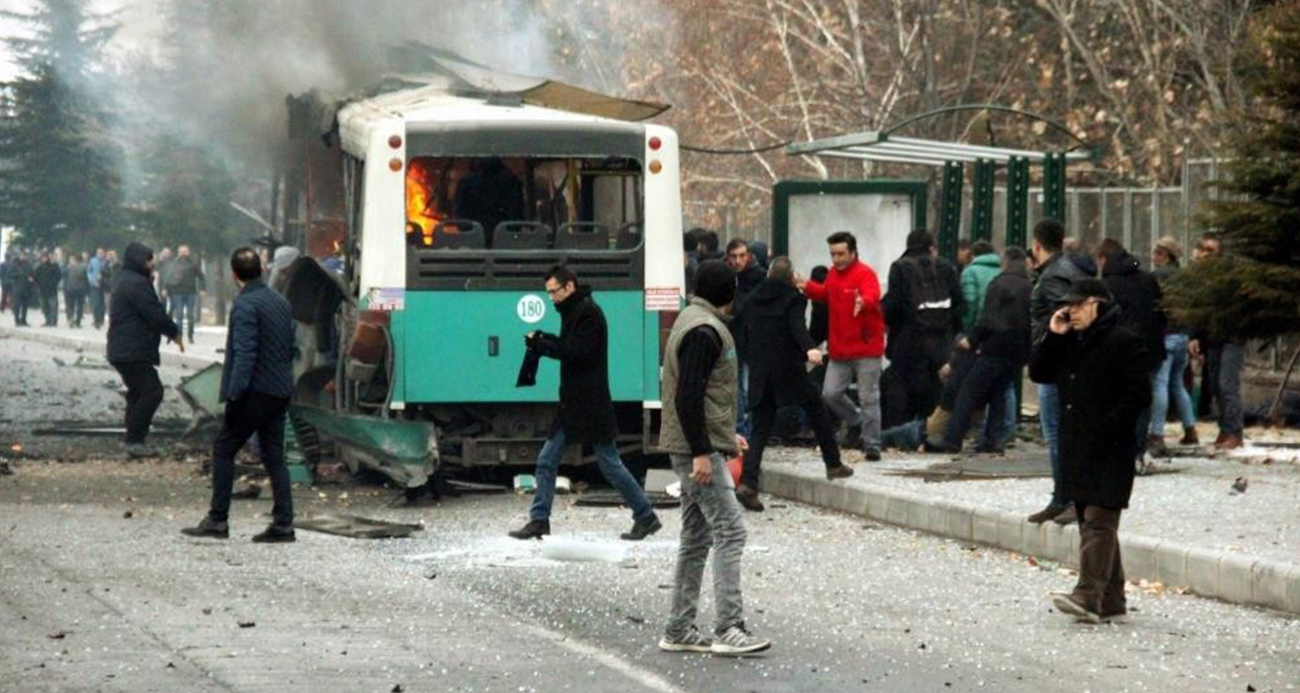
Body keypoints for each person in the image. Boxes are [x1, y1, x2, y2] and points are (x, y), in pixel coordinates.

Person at [657, 260, 770, 656]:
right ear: (731, 291)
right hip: (695, 453)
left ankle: (679, 627)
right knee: (730, 531)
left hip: (691, 446)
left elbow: (701, 397)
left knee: (696, 537)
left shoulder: (691, 320)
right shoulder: (706, 332)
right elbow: (688, 396)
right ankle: (729, 628)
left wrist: (723, 437)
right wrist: (703, 451)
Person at [508, 265, 661, 541]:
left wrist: (543, 346)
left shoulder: (587, 313)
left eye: (554, 291)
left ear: (569, 287)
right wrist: (545, 340)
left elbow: (578, 352)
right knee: (548, 460)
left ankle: (646, 515)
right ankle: (540, 519)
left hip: (589, 403)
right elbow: (571, 346)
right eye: (548, 293)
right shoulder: (577, 311)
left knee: (608, 463)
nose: (551, 298)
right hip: (576, 403)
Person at [1029, 278, 1151, 624]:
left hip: (1110, 446)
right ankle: (1112, 599)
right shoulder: (1071, 341)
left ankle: (1086, 595)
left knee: (1099, 519)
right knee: (1090, 518)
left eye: (1078, 305)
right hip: (1078, 446)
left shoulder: (1124, 341)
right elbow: (1040, 372)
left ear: (1097, 303)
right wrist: (1053, 334)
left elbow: (1138, 396)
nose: (1071, 311)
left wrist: (1109, 427)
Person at [182, 248, 298, 543]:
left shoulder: (246, 305)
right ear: (260, 269)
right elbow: (290, 346)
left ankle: (217, 519)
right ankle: (283, 524)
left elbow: (245, 353)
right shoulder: (279, 302)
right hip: (280, 389)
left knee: (223, 449)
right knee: (275, 457)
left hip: (254, 392)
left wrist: (234, 395)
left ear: (234, 275)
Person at [734, 257, 853, 512]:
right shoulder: (793, 298)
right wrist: (810, 348)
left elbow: (740, 330)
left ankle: (747, 483)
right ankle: (833, 463)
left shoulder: (752, 299)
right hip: (788, 369)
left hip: (760, 372)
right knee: (817, 409)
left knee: (760, 429)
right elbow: (797, 327)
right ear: (790, 278)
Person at [932, 247, 1033, 453]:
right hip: (1016, 351)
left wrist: (973, 340)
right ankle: (993, 440)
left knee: (968, 392)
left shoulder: (998, 284)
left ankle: (952, 439)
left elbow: (988, 319)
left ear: (1005, 262)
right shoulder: (1028, 286)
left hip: (993, 347)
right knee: (998, 394)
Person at [1026, 218, 1092, 524]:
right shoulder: (1071, 269)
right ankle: (1063, 497)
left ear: (1037, 245)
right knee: (1062, 432)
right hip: (1065, 364)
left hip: (1056, 364)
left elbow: (1065, 318)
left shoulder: (1052, 277)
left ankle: (1066, 498)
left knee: (1057, 433)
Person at [800, 232, 885, 460]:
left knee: (869, 396)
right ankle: (856, 420)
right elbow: (825, 293)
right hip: (840, 348)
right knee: (830, 393)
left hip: (865, 348)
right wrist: (806, 286)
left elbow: (872, 295)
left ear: (853, 253)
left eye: (840, 254)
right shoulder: (833, 275)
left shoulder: (865, 274)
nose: (836, 259)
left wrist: (863, 301)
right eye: (833, 254)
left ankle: (872, 444)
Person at [106, 242, 183, 458]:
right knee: (152, 391)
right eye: (148, 260)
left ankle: (133, 439)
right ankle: (134, 441)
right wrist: (174, 331)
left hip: (123, 347)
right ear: (139, 260)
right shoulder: (137, 283)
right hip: (132, 348)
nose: (152, 263)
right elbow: (153, 313)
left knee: (137, 393)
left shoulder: (126, 278)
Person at [880, 230, 963, 429]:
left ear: (908, 246)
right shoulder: (945, 266)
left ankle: (898, 432)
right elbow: (958, 303)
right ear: (930, 245)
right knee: (934, 390)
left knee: (899, 387)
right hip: (941, 340)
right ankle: (931, 432)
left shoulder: (900, 267)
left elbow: (893, 305)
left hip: (908, 340)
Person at [1096, 239, 1166, 466]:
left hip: (1119, 351)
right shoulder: (1148, 278)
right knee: (1142, 399)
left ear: (1103, 259)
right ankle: (1138, 449)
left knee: (1117, 400)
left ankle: (1121, 450)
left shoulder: (1107, 284)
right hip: (1150, 349)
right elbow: (1161, 312)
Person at [1187, 233, 1244, 450]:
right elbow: (1197, 310)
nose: (1203, 254)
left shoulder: (1229, 279)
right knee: (1215, 385)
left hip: (1231, 336)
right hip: (1212, 337)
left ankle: (1234, 431)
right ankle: (1225, 429)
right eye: (1201, 249)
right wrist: (1195, 337)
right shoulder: (1199, 279)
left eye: (1209, 251)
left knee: (1227, 384)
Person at [1148, 236, 1198, 451]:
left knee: (1160, 384)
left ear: (1164, 255)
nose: (1153, 258)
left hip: (1166, 336)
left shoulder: (1156, 277)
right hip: (1183, 336)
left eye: (1156, 254)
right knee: (1177, 384)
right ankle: (1190, 429)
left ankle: (1157, 433)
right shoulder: (1187, 278)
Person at [726, 238, 765, 438]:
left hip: (753, 338)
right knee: (739, 385)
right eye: (734, 256)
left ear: (749, 256)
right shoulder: (728, 276)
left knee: (748, 386)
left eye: (742, 256)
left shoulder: (759, 277)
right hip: (736, 337)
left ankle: (747, 427)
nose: (738, 261)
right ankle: (742, 428)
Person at [166, 244, 205, 343]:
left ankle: (190, 335)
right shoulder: (174, 264)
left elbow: (201, 277)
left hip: (190, 292)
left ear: (189, 252)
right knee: (179, 315)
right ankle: (179, 335)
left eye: (185, 251)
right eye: (181, 252)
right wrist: (165, 289)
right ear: (178, 253)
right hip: (177, 293)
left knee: (190, 315)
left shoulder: (193, 264)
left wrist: (202, 289)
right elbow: (168, 277)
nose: (183, 254)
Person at [959, 240, 999, 334]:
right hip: (998, 327)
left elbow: (970, 302)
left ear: (972, 255)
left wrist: (966, 328)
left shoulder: (969, 272)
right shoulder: (1002, 270)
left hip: (978, 328)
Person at [34, 252, 61, 327]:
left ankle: (53, 322)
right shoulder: (39, 268)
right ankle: (47, 320)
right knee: (44, 306)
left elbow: (58, 276)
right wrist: (37, 284)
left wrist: (53, 283)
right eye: (42, 258)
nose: (44, 259)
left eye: (45, 257)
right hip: (42, 290)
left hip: (52, 290)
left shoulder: (54, 266)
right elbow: (35, 277)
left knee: (53, 307)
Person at [8, 252, 35, 327]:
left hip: (26, 288)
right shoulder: (15, 264)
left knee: (25, 306)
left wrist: (31, 278)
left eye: (24, 255)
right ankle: (17, 320)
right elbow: (10, 274)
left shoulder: (28, 264)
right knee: (17, 305)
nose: (23, 256)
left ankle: (24, 320)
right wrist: (19, 274)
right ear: (19, 256)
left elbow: (32, 273)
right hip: (17, 288)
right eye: (22, 255)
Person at [64, 252, 89, 328]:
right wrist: (88, 289)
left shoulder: (70, 267)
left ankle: (70, 318)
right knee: (80, 306)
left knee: (70, 305)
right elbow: (86, 279)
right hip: (80, 289)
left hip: (70, 288)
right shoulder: (84, 267)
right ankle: (77, 322)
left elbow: (66, 278)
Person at [87, 247, 106, 329]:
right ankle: (96, 320)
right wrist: (92, 280)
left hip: (104, 285)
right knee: (96, 303)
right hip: (94, 285)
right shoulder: (93, 261)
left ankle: (101, 320)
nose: (100, 255)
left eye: (102, 253)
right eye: (99, 253)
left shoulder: (105, 262)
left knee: (102, 304)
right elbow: (89, 272)